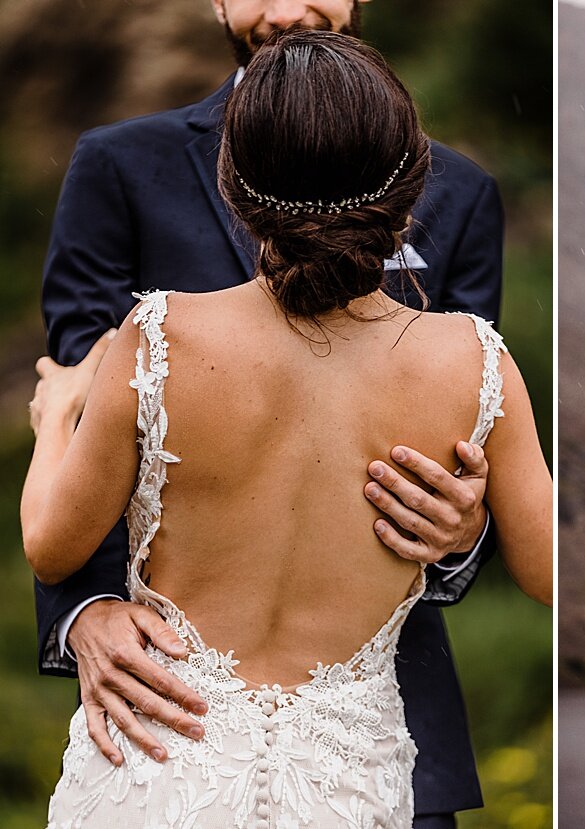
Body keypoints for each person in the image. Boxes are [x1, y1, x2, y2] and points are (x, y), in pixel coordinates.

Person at [23, 29, 551, 828]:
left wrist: (56, 415)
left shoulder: (160, 336)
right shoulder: (475, 360)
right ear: (411, 191)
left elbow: (52, 545)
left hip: (162, 769)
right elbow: (552, 574)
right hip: (347, 787)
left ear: (234, 186)